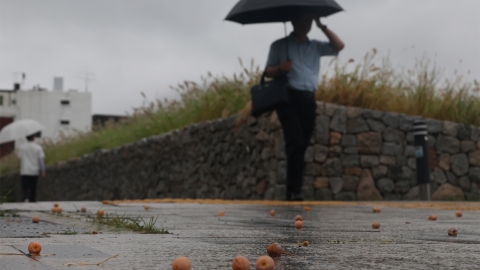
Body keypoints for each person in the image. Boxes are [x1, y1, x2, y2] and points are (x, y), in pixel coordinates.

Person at [265, 11, 345, 201]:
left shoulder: (316, 46)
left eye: (308, 19)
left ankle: (294, 188)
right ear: (292, 20)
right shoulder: (279, 45)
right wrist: (280, 68)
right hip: (288, 98)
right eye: (301, 18)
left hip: (308, 100)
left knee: (302, 145)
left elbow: (339, 46)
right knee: (296, 142)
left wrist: (322, 26)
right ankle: (294, 190)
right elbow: (267, 71)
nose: (305, 23)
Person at [17, 134, 46, 202]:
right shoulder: (38, 147)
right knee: (33, 186)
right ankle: (32, 199)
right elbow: (41, 160)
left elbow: (19, 158)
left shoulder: (22, 147)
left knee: (25, 186)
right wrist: (43, 170)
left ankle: (25, 198)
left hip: (25, 170)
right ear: (33, 138)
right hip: (34, 170)